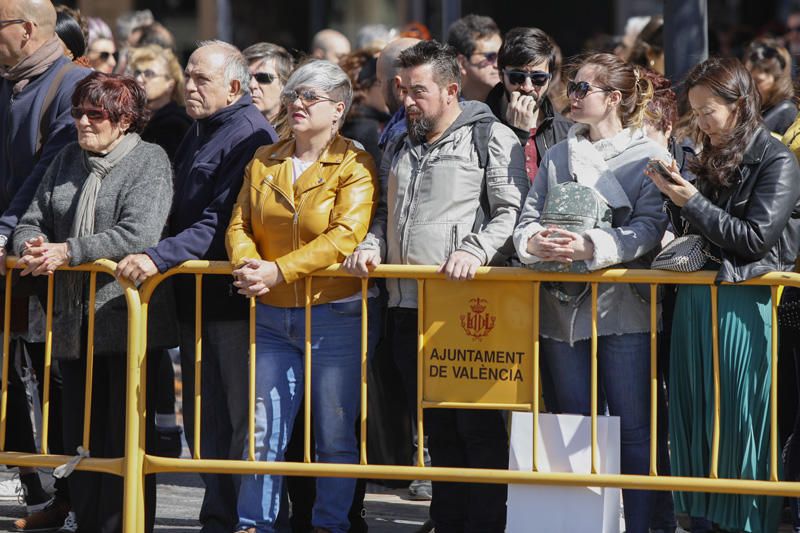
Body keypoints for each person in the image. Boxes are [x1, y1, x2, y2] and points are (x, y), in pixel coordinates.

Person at [343, 40, 529, 533]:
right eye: (403, 89)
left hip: (464, 307)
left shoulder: (491, 137)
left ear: (451, 90)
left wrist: (474, 248)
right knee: (437, 430)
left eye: (418, 90)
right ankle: (446, 521)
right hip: (406, 304)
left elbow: (512, 212)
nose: (407, 99)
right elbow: (383, 213)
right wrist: (372, 245)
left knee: (477, 431)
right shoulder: (399, 139)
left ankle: (484, 524)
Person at [115, 40, 277, 533]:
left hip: (230, 302)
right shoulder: (202, 128)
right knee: (204, 423)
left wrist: (156, 256)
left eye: (200, 79)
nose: (189, 86)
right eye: (187, 75)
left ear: (234, 86)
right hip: (194, 299)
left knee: (234, 421)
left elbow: (218, 223)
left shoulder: (250, 133)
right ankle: (219, 515)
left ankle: (233, 519)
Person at [513, 53, 670, 533]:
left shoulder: (649, 154)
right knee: (571, 426)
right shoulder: (559, 153)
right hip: (563, 306)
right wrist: (533, 242)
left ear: (614, 99)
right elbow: (528, 214)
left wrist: (592, 244)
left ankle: (648, 526)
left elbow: (650, 226)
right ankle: (576, 525)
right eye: (573, 88)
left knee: (636, 430)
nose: (570, 97)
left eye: (582, 89)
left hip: (625, 308)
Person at [12, 71, 174, 533]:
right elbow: (32, 218)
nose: (83, 121)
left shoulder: (150, 161)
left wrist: (70, 251)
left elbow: (138, 233)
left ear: (124, 120)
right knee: (78, 433)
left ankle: (122, 524)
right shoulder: (67, 158)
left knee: (121, 435)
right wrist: (34, 245)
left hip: (125, 320)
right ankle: (85, 521)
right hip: (70, 321)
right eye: (79, 112)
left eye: (95, 114)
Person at [646, 56, 800, 533]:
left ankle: (745, 519)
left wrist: (688, 199)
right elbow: (696, 232)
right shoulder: (707, 155)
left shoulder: (778, 159)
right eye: (695, 111)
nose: (702, 123)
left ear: (740, 105)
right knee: (698, 412)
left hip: (745, 298)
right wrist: (674, 189)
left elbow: (755, 238)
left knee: (739, 415)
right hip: (698, 296)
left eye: (709, 110)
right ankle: (702, 515)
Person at [226, 57, 379, 533]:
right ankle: (255, 524)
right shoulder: (264, 158)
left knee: (334, 432)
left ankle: (331, 525)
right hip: (272, 315)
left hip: (334, 314)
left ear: (338, 108)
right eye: (293, 94)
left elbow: (343, 236)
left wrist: (276, 271)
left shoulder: (355, 162)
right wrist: (248, 264)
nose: (297, 104)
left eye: (310, 97)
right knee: (264, 431)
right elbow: (239, 223)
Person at [0, 0, 91, 529]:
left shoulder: (74, 87)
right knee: (14, 377)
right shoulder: (11, 84)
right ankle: (34, 482)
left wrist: (9, 230)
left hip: (53, 266)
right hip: (19, 266)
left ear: (27, 29)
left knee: (59, 381)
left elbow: (47, 173)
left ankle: (68, 491)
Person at [485, 27, 572, 183]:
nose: (527, 87)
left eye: (538, 78)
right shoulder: (481, 127)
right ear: (501, 75)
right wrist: (515, 135)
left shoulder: (567, 132)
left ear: (549, 79)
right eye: (517, 77)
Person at [127, 44, 191, 160]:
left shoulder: (176, 124)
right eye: (137, 73)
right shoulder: (132, 118)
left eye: (149, 74)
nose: (139, 79)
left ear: (170, 84)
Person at [341, 50, 390, 163]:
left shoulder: (346, 121)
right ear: (364, 88)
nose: (388, 91)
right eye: (381, 83)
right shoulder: (368, 129)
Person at [744, 38, 797, 135]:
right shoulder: (753, 109)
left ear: (777, 79)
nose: (750, 86)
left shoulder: (786, 113)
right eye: (748, 79)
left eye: (758, 81)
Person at [243, 42, 294, 138]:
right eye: (246, 77)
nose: (252, 85)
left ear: (285, 83)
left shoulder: (297, 135)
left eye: (263, 78)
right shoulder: (235, 129)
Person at [446, 14, 501, 102]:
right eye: (491, 57)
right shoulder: (443, 106)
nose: (498, 64)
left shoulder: (512, 106)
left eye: (501, 55)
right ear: (462, 63)